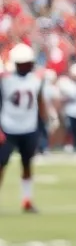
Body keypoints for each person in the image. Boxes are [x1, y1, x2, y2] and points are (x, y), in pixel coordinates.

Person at [0, 43, 47, 213]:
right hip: (7, 128)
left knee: (27, 164)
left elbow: (40, 101)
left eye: (27, 63)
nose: (25, 67)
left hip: (29, 127)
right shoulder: (4, 79)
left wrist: (44, 124)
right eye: (22, 63)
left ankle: (27, 200)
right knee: (1, 165)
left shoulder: (37, 78)